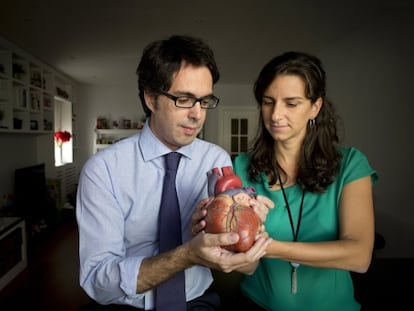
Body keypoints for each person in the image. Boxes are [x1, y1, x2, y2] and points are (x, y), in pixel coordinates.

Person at [76, 34, 273, 311]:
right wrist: (187, 255)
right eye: (184, 99)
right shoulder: (103, 170)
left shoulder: (215, 160)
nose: (197, 115)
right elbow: (98, 280)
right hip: (124, 305)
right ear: (151, 98)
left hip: (197, 302)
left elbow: (246, 264)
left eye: (204, 101)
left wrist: (247, 232)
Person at [198, 51, 377, 310]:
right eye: (268, 102)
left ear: (315, 107)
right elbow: (247, 266)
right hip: (255, 305)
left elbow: (359, 256)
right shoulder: (241, 167)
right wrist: (226, 239)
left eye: (291, 103)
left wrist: (264, 245)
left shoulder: (350, 164)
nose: (276, 115)